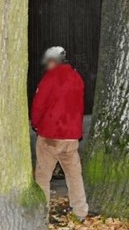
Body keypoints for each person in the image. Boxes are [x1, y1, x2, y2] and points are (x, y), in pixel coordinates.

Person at [31, 46, 88, 220]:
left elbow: (39, 105)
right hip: (71, 136)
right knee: (74, 174)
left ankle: (41, 214)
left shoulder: (50, 78)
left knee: (43, 176)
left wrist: (35, 123)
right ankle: (80, 212)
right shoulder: (77, 78)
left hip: (50, 135)